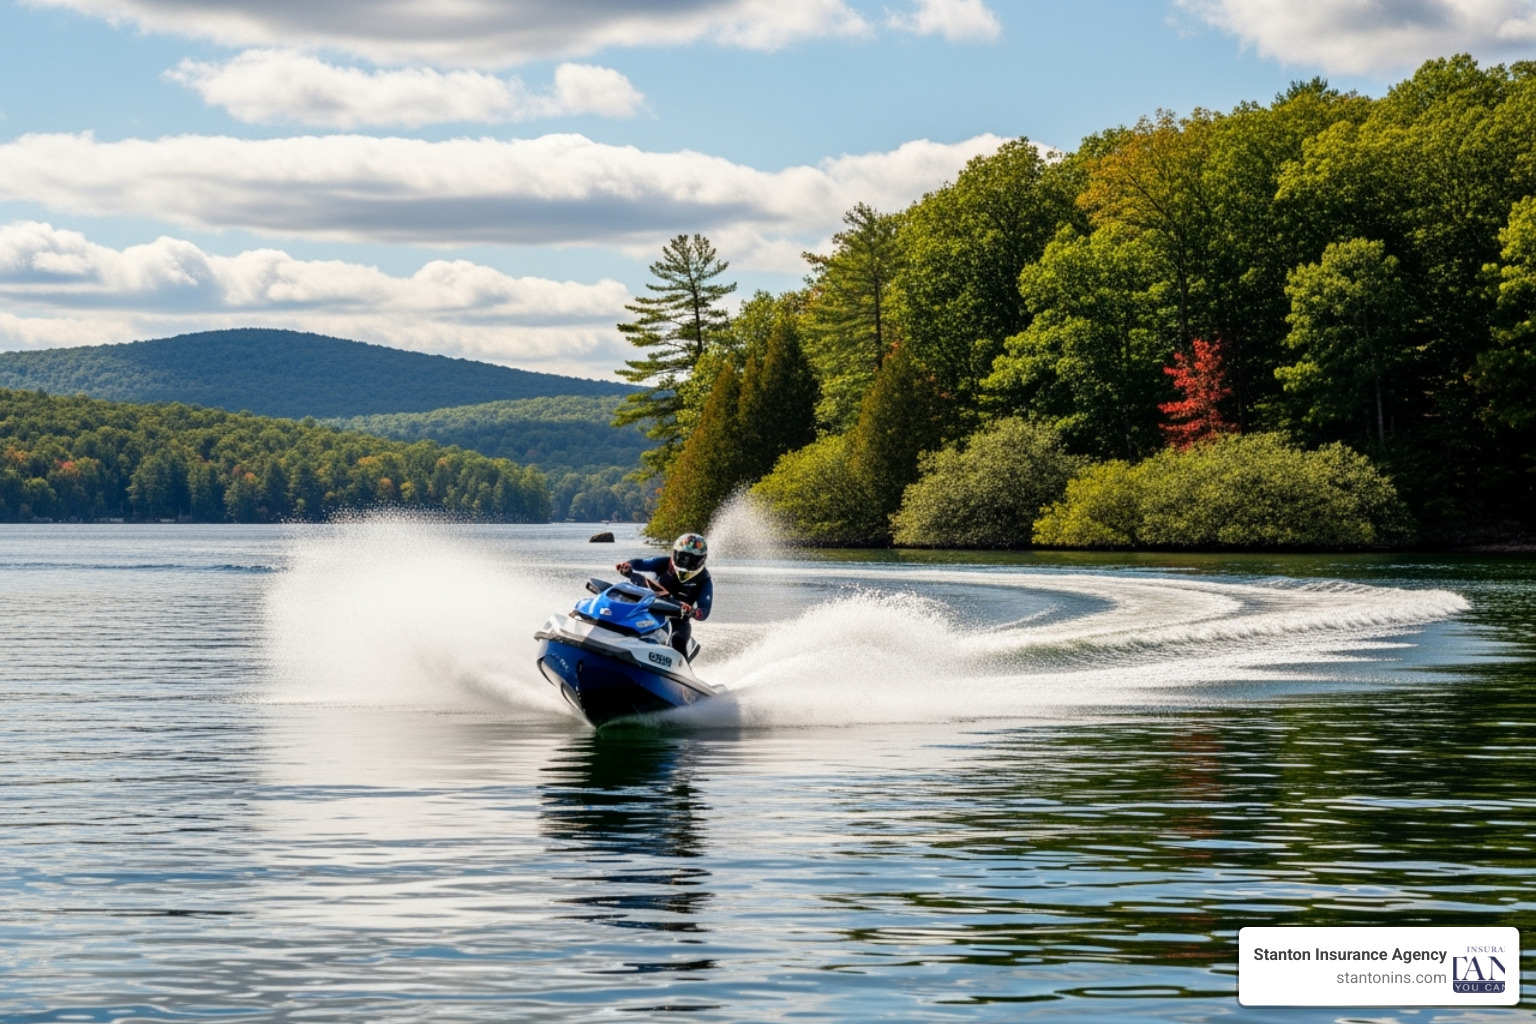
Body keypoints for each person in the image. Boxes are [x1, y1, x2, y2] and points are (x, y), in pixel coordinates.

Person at [616, 533, 712, 659]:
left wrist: (693, 611)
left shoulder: (704, 580)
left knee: (678, 639)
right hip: (652, 609)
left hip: (679, 619)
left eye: (692, 560)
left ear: (701, 560)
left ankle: (680, 673)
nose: (686, 563)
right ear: (675, 553)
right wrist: (627, 565)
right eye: (682, 557)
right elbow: (640, 563)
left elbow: (705, 609)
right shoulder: (665, 563)